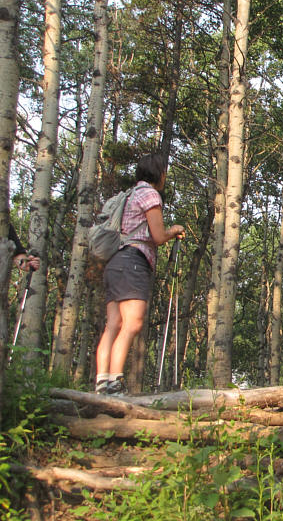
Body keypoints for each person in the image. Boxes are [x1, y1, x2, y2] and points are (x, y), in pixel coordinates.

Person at [94, 154, 185, 395]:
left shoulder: (128, 195)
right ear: (159, 173)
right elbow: (157, 236)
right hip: (133, 261)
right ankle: (114, 382)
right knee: (132, 323)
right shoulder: (150, 195)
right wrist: (174, 230)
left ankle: (102, 382)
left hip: (115, 262)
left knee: (113, 324)